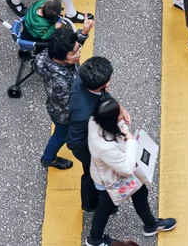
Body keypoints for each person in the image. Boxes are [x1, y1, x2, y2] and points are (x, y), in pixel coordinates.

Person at [86, 98, 176, 245]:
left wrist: (121, 120)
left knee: (140, 192)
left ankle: (150, 224)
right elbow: (127, 168)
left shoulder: (95, 120)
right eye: (120, 112)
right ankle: (94, 239)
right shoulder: (105, 147)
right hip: (111, 180)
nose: (123, 111)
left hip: (113, 173)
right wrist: (130, 139)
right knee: (105, 208)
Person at [34, 26, 93, 170]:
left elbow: (71, 45)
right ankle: (48, 158)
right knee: (61, 135)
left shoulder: (54, 53)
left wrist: (83, 33)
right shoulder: (58, 82)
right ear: (60, 58)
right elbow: (70, 104)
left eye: (78, 49)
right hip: (64, 115)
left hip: (60, 107)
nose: (78, 54)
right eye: (74, 53)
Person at [67, 57, 115, 212]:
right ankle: (90, 203)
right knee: (91, 172)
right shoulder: (86, 112)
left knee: (90, 172)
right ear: (103, 84)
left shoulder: (80, 81)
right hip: (83, 145)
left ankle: (90, 203)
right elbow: (74, 142)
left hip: (84, 139)